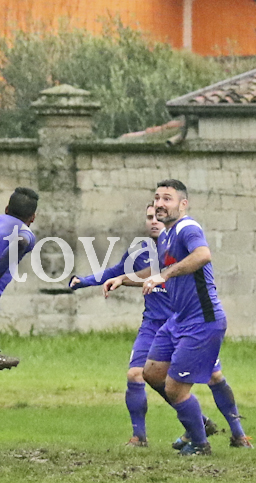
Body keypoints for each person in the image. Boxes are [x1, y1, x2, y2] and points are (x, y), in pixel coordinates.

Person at [103, 180, 249, 454]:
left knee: (179, 388)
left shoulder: (187, 228)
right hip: (178, 320)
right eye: (157, 198)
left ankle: (201, 444)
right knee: (150, 373)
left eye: (167, 199)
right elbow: (156, 271)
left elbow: (202, 255)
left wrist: (166, 275)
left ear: (183, 204)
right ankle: (200, 428)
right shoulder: (166, 236)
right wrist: (123, 279)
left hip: (202, 321)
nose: (160, 204)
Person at [70, 203, 218, 447]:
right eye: (149, 217)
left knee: (212, 378)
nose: (153, 221)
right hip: (152, 324)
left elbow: (198, 266)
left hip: (181, 323)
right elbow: (119, 271)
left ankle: (233, 434)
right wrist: (85, 281)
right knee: (136, 374)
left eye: (157, 216)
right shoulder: (141, 250)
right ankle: (140, 437)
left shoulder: (181, 247)